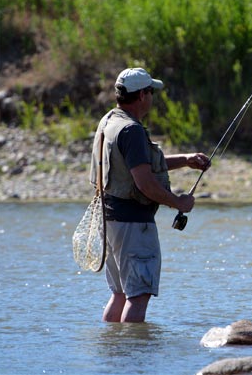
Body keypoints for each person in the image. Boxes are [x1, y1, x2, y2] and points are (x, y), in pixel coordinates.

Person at [90, 67, 210, 323]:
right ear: (142, 95)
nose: (153, 97)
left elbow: (137, 166)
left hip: (109, 221)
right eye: (151, 92)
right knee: (138, 295)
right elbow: (144, 182)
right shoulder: (131, 130)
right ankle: (133, 359)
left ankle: (114, 354)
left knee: (120, 294)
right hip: (133, 225)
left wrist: (186, 160)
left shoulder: (110, 121)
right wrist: (178, 202)